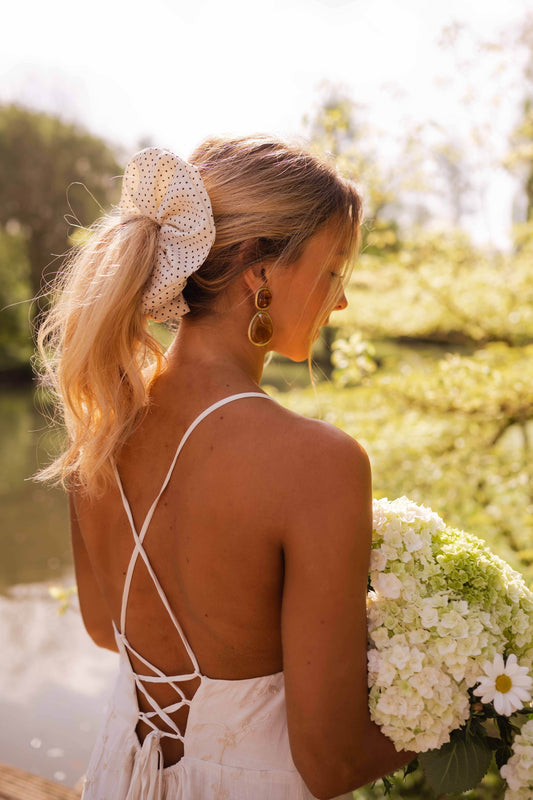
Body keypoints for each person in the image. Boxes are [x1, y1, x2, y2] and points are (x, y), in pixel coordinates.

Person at [37, 138, 414, 800]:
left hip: (120, 776)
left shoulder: (101, 424)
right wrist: (465, 702)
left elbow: (103, 628)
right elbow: (330, 763)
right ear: (258, 270)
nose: (340, 303)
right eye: (333, 272)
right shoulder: (318, 464)